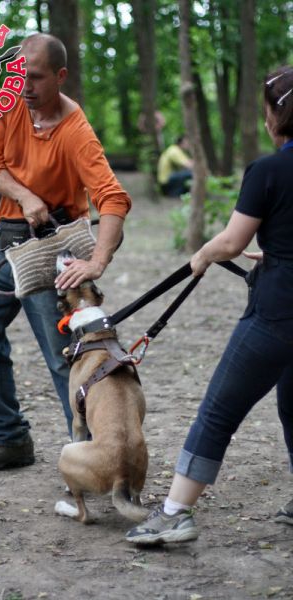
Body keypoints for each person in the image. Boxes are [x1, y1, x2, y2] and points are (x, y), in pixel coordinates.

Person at [126, 65, 293, 545]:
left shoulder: (268, 170)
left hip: (277, 314)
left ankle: (175, 512)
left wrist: (202, 255)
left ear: (275, 117)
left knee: (219, 410)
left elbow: (232, 241)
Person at [0, 33, 131, 472]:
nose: (24, 86)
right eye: (19, 76)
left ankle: (92, 456)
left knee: (65, 360)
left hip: (52, 249)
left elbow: (112, 198)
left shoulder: (76, 132)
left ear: (60, 76)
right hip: (4, 242)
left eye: (35, 77)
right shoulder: (9, 104)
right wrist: (24, 196)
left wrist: (96, 262)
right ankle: (8, 437)